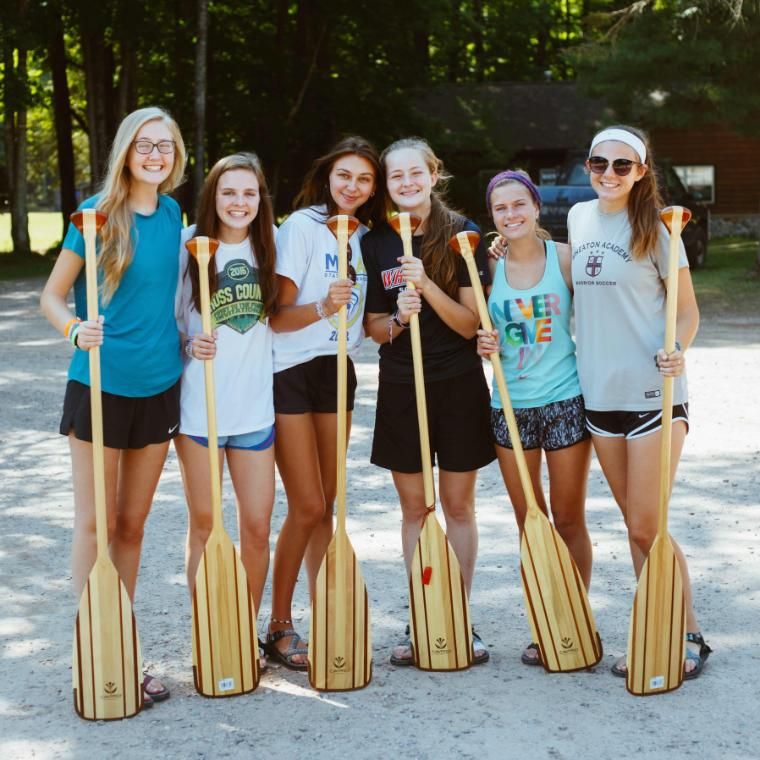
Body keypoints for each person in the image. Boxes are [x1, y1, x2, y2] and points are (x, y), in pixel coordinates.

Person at [40, 106, 186, 706]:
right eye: (145, 145)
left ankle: (122, 643)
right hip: (99, 384)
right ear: (126, 151)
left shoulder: (175, 213)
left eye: (166, 146)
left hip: (159, 386)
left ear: (176, 156)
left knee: (132, 524)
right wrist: (75, 329)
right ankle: (93, 645)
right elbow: (51, 295)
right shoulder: (95, 216)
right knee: (96, 523)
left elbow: (169, 299)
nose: (155, 155)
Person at [568, 125, 710, 678]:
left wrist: (677, 345)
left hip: (655, 393)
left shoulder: (658, 227)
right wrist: (510, 245)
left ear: (642, 171)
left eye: (622, 166)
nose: (608, 174)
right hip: (600, 395)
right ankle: (663, 627)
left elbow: (687, 311)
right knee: (637, 525)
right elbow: (563, 263)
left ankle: (686, 632)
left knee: (647, 525)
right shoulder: (580, 218)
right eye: (599, 163)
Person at [362, 137, 495, 666]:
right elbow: (374, 330)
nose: (406, 184)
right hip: (401, 385)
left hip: (458, 383)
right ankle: (425, 615)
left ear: (433, 173)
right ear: (388, 185)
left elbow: (471, 325)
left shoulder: (463, 235)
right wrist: (397, 316)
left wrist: (428, 289)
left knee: (458, 505)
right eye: (396, 177)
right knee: (416, 508)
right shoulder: (374, 242)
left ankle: (457, 615)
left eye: (415, 173)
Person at [266, 136, 387, 669]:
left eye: (363, 179)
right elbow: (276, 314)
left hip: (339, 369)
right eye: (344, 176)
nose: (352, 187)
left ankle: (328, 613)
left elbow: (368, 320)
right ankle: (279, 624)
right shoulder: (302, 227)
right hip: (292, 371)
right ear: (327, 176)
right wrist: (322, 305)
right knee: (308, 505)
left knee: (329, 507)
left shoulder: (366, 236)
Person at [477, 170, 592, 666]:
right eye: (501, 208)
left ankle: (576, 614)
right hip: (511, 406)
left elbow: (601, 316)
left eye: (519, 204)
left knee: (568, 518)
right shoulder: (486, 266)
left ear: (536, 206)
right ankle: (545, 620)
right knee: (532, 521)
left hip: (565, 399)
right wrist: (483, 344)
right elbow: (476, 326)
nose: (511, 214)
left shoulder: (564, 259)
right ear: (493, 217)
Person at [174, 153, 278, 669]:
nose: (240, 202)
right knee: (205, 528)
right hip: (200, 414)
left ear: (261, 200)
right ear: (213, 197)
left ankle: (242, 633)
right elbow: (168, 326)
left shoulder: (270, 247)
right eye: (229, 193)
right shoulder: (189, 249)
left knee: (256, 528)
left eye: (249, 193)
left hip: (255, 412)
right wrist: (190, 345)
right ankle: (208, 637)